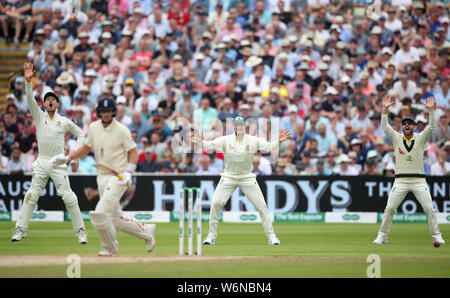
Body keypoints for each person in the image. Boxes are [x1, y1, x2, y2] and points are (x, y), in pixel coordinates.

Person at [66, 97, 156, 256]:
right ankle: (147, 231)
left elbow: (134, 152)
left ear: (113, 111)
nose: (106, 114)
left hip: (119, 177)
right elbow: (87, 148)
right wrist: (71, 156)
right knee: (114, 217)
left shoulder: (122, 129)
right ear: (99, 112)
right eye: (103, 111)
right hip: (102, 176)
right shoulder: (93, 128)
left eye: (109, 111)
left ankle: (109, 247)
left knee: (100, 213)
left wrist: (129, 171)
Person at [11, 63, 87, 245]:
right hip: (42, 161)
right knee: (31, 194)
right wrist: (28, 81)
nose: (50, 101)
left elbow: (81, 134)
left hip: (58, 163)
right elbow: (30, 99)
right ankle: (20, 229)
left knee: (69, 197)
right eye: (47, 100)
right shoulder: (39, 116)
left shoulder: (64, 121)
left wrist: (75, 154)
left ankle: (81, 232)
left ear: (58, 104)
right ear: (44, 104)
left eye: (53, 99)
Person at [194, 116, 292, 246]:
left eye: (241, 125)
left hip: (246, 177)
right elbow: (208, 145)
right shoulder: (226, 140)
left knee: (261, 205)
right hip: (228, 176)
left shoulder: (253, 140)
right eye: (236, 124)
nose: (239, 127)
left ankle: (272, 236)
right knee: (216, 203)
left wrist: (278, 142)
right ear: (233, 126)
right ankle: (211, 235)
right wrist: (200, 141)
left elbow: (268, 147)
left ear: (245, 126)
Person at [374, 95, 445, 245]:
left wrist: (431, 111)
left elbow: (431, 127)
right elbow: (385, 126)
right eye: (404, 123)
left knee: (429, 209)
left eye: (410, 124)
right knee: (390, 208)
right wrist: (385, 109)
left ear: (414, 126)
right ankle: (382, 235)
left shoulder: (420, 138)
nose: (407, 125)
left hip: (419, 180)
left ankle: (437, 235)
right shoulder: (396, 138)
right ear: (402, 126)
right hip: (400, 180)